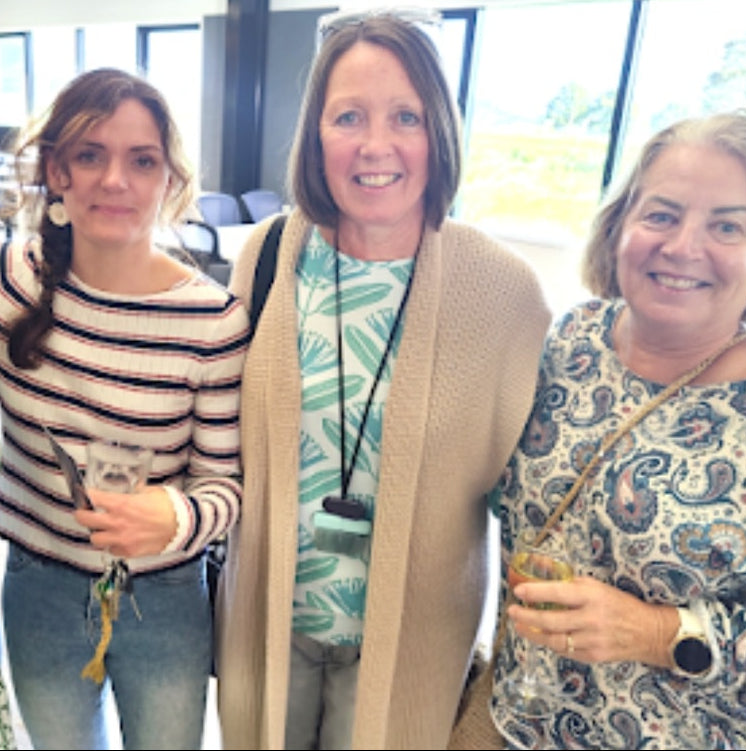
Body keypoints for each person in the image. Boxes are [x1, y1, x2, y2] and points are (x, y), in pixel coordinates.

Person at [214, 9, 552, 750]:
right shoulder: (268, 255)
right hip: (269, 625)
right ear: (316, 133)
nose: (376, 145)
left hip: (408, 649)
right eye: (348, 117)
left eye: (406, 115)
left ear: (441, 130)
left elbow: (533, 508)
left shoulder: (504, 293)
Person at [489, 112, 746, 749]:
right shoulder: (572, 340)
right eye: (661, 214)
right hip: (513, 725)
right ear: (619, 226)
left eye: (728, 226)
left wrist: (660, 633)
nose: (683, 247)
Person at [0, 68, 249, 749]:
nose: (116, 181)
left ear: (169, 178)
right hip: (38, 582)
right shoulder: (18, 278)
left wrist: (174, 517)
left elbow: (227, 485)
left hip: (164, 596)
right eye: (90, 155)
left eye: (141, 161)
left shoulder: (213, 322)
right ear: (57, 172)